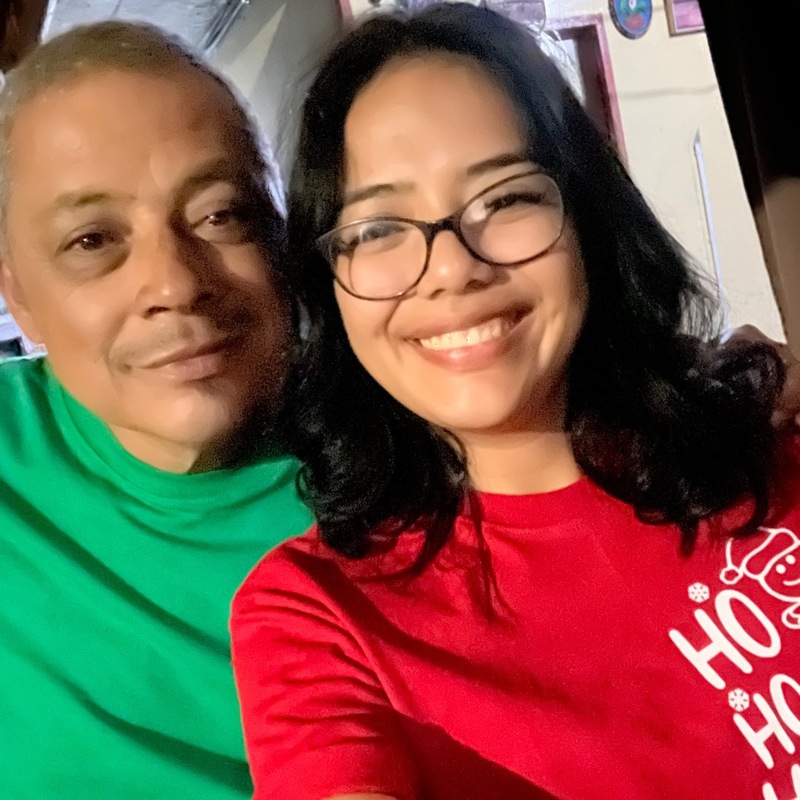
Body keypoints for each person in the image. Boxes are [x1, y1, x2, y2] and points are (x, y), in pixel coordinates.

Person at [230, 5, 800, 800]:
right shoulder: (320, 617)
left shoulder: (771, 441)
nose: (451, 270)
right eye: (379, 229)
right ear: (329, 285)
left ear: (587, 220)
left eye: (504, 199)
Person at [0, 22, 312, 800]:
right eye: (92, 240)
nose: (175, 283)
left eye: (221, 214)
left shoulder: (425, 470)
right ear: (19, 299)